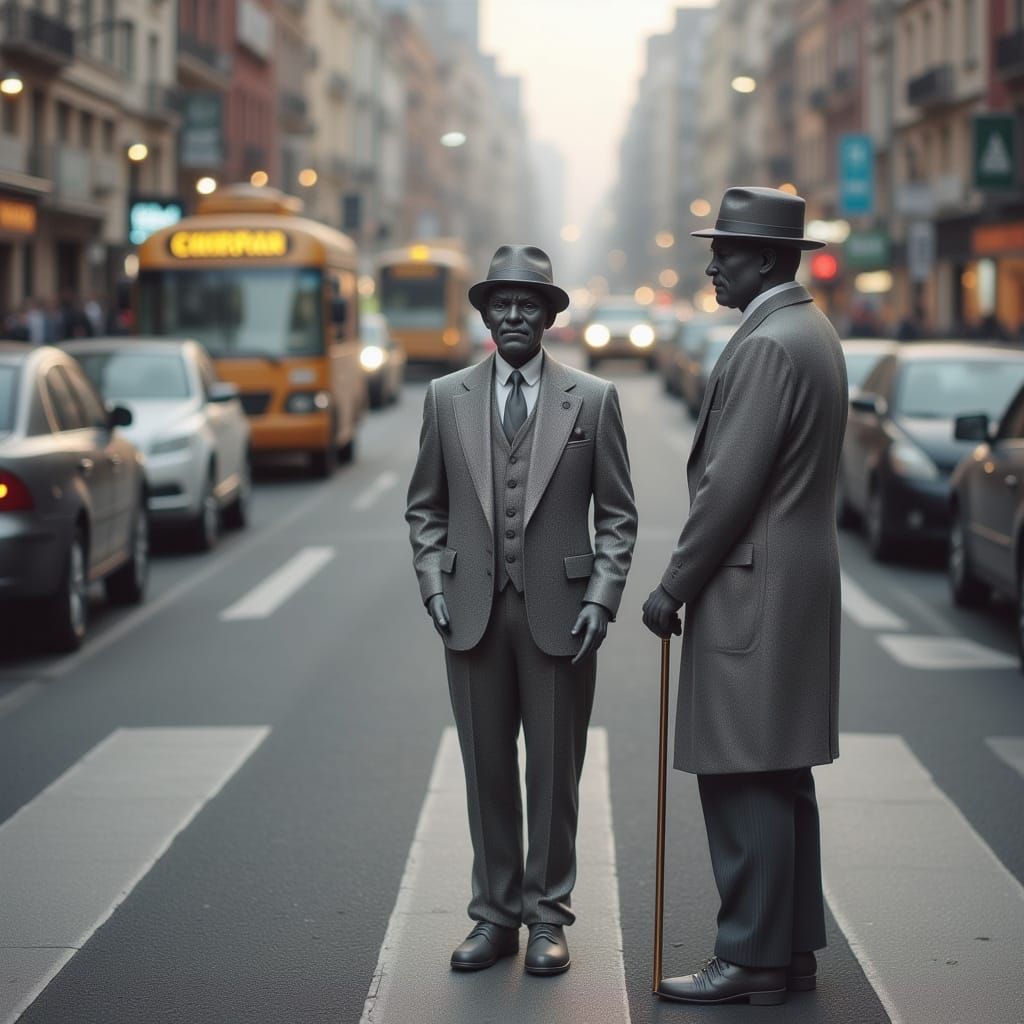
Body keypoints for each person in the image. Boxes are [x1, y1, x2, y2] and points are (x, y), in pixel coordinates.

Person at [641, 187, 848, 1006]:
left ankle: (750, 958)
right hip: (794, 580)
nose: (712, 262)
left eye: (725, 249)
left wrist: (672, 586)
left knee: (743, 773)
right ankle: (787, 947)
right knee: (780, 770)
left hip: (753, 585)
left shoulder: (766, 346)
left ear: (764, 258)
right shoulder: (809, 330)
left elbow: (728, 489)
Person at [406, 244, 637, 976]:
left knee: (554, 773)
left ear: (548, 318)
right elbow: (424, 508)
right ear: (484, 314)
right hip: (470, 612)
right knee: (486, 772)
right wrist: (434, 585)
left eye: (528, 305)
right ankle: (494, 916)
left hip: (563, 617)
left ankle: (547, 919)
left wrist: (602, 597)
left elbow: (620, 518)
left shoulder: (593, 400)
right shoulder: (446, 398)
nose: (514, 315)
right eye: (501, 304)